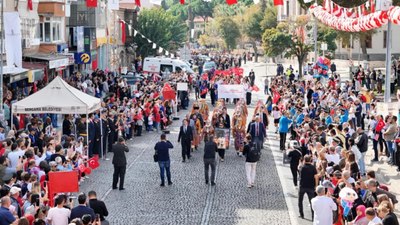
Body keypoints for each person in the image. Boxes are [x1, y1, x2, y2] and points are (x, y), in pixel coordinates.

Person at [298, 155, 318, 219]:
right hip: (311, 186)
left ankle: (301, 214)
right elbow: (316, 177)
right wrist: (316, 185)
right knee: (312, 202)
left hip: (302, 186)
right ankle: (313, 217)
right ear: (310, 160)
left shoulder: (302, 167)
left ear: (304, 160)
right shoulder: (313, 167)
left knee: (300, 201)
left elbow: (298, 168)